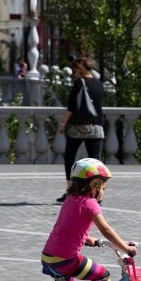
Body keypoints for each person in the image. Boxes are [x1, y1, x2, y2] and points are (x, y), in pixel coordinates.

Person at [41, 158, 136, 281]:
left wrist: (93, 240)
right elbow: (106, 229)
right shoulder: (90, 204)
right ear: (95, 185)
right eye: (104, 188)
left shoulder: (70, 200)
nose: (104, 193)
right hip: (66, 260)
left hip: (49, 257)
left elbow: (69, 229)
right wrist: (126, 247)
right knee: (103, 276)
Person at [56, 57, 106, 202]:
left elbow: (71, 107)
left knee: (70, 158)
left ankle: (70, 190)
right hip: (96, 126)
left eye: (75, 68)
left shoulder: (79, 83)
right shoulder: (98, 84)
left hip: (77, 127)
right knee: (95, 162)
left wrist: (62, 124)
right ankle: (97, 193)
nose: (74, 71)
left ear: (80, 68)